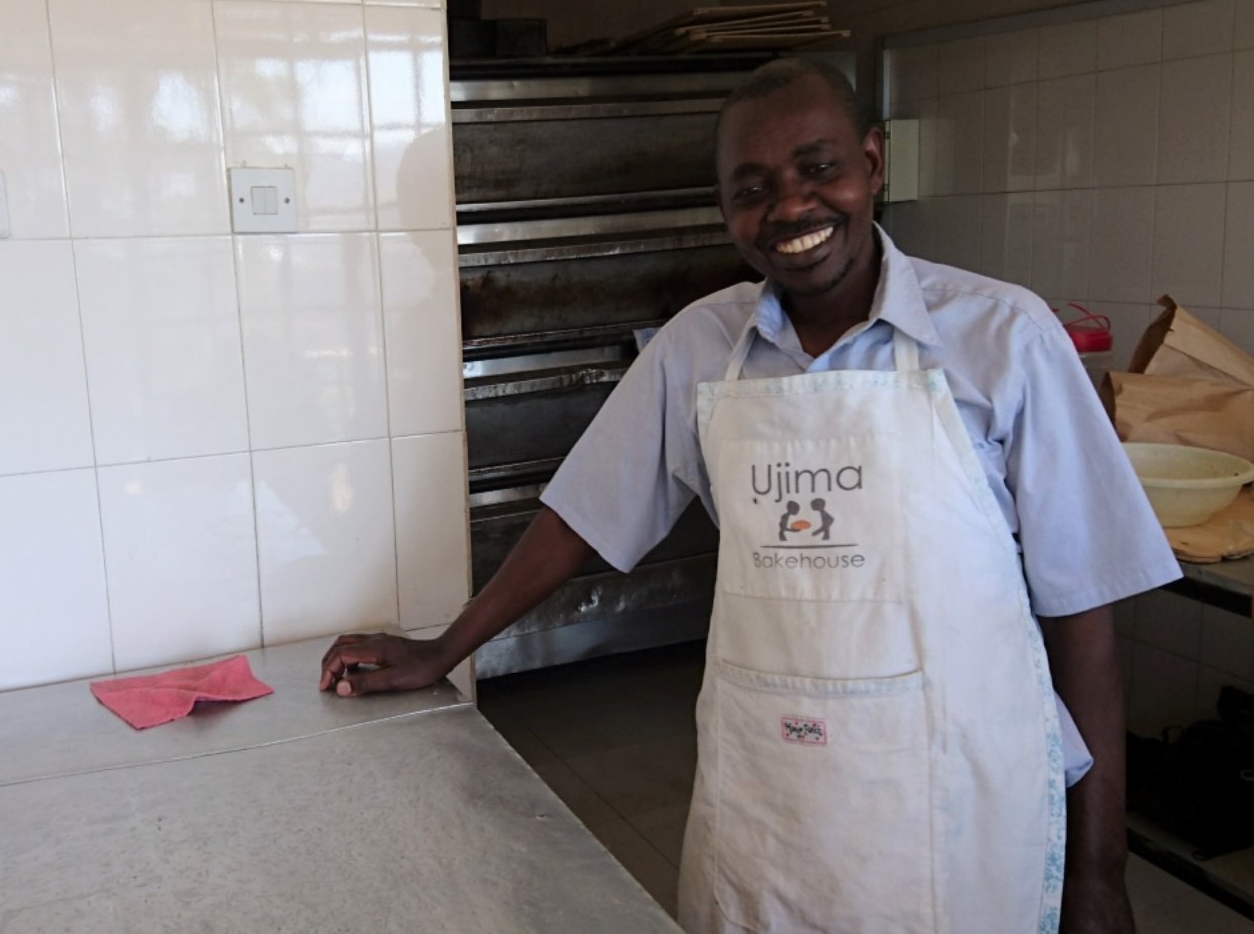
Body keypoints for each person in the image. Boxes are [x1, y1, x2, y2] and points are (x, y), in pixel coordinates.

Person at [320, 57, 1180, 933]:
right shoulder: (700, 347)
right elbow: (579, 516)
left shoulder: (1004, 336)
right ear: (726, 208)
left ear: (873, 165)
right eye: (753, 187)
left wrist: (1099, 872)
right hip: (774, 796)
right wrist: (444, 649)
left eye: (819, 168)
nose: (792, 207)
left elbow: (1083, 610)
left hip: (957, 796)